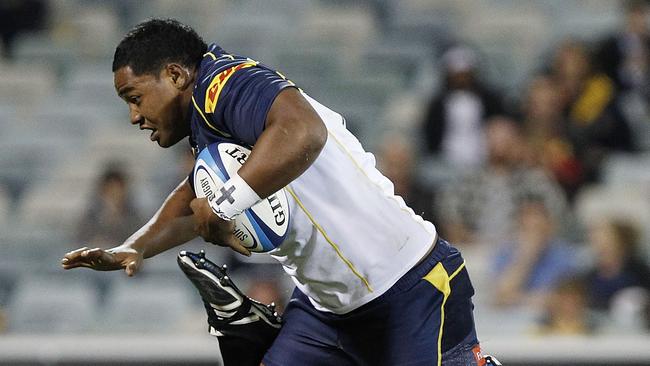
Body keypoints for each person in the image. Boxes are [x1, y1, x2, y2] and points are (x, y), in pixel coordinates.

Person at [61, 19, 500, 366]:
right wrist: (133, 248)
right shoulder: (206, 121)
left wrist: (224, 204)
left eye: (134, 97)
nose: (135, 116)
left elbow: (302, 132)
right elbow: (192, 195)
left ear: (175, 75)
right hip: (327, 310)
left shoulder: (225, 82)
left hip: (411, 286)